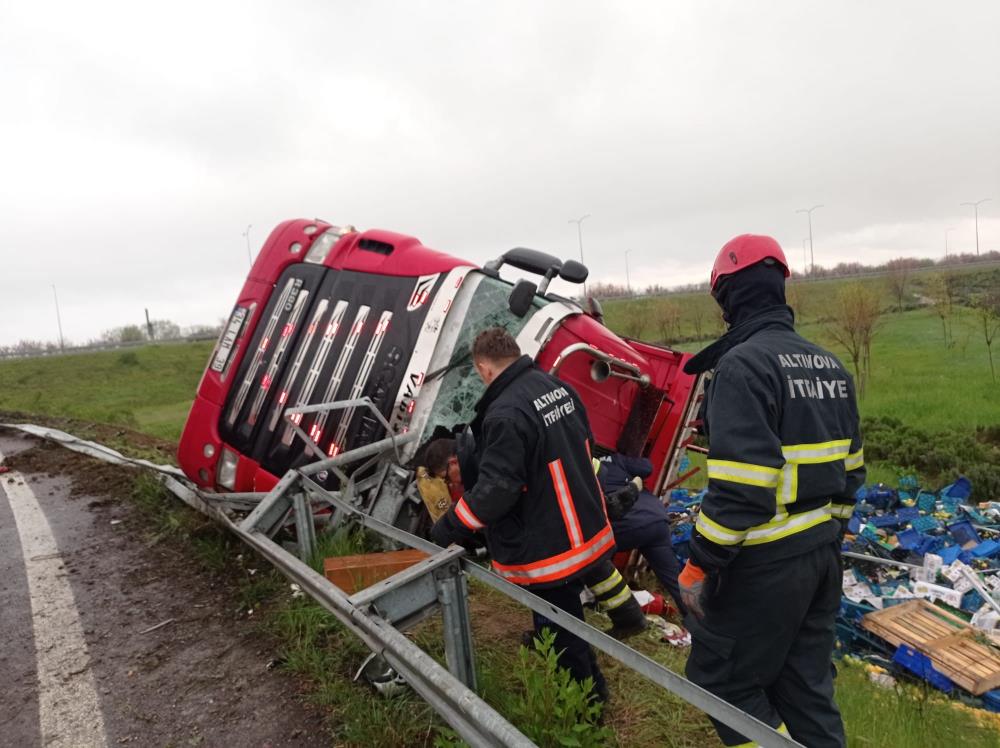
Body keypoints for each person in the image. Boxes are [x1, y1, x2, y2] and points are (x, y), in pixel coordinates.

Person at [678, 235, 864, 748]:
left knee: (723, 682)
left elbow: (741, 491)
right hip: (822, 557)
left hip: (764, 564)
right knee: (805, 688)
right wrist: (833, 535)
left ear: (726, 297)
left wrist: (699, 564)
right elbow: (853, 469)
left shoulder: (742, 366)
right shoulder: (832, 367)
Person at [430, 327, 615, 702]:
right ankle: (584, 654)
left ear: (483, 368)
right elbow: (581, 447)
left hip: (550, 541)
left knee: (561, 625)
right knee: (562, 613)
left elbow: (496, 490)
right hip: (582, 521)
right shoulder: (557, 388)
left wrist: (448, 528)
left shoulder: (504, 413)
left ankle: (587, 703)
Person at [426, 438, 648, 639]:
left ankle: (558, 633)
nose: (451, 485)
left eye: (446, 478)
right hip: (573, 481)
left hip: (565, 488)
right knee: (587, 558)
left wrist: (446, 531)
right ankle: (627, 616)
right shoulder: (482, 444)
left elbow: (491, 496)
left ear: (453, 462)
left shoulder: (484, 452)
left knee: (552, 565)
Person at [596, 453, 688, 619]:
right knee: (675, 581)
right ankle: (701, 624)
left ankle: (608, 606)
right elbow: (647, 467)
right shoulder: (617, 460)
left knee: (594, 558)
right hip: (657, 520)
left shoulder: (583, 466)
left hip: (626, 522)